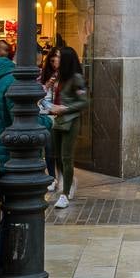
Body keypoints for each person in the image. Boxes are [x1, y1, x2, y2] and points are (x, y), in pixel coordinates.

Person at [0, 48, 53, 179]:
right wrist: (49, 120)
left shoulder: (2, 77)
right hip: (11, 157)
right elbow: (23, 124)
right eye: (37, 64)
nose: (38, 68)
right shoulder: (15, 81)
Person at [49, 46, 89, 209]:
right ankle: (69, 182)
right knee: (56, 156)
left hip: (70, 121)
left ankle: (64, 195)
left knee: (66, 157)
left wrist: (64, 108)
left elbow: (85, 102)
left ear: (65, 59)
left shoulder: (76, 78)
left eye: (58, 57)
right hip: (57, 120)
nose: (54, 60)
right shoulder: (58, 76)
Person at [39, 47, 60, 190]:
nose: (54, 63)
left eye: (57, 60)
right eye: (52, 60)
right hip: (45, 114)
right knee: (48, 148)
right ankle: (51, 178)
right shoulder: (41, 75)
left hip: (57, 115)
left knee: (55, 150)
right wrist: (47, 86)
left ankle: (58, 179)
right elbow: (38, 97)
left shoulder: (65, 76)